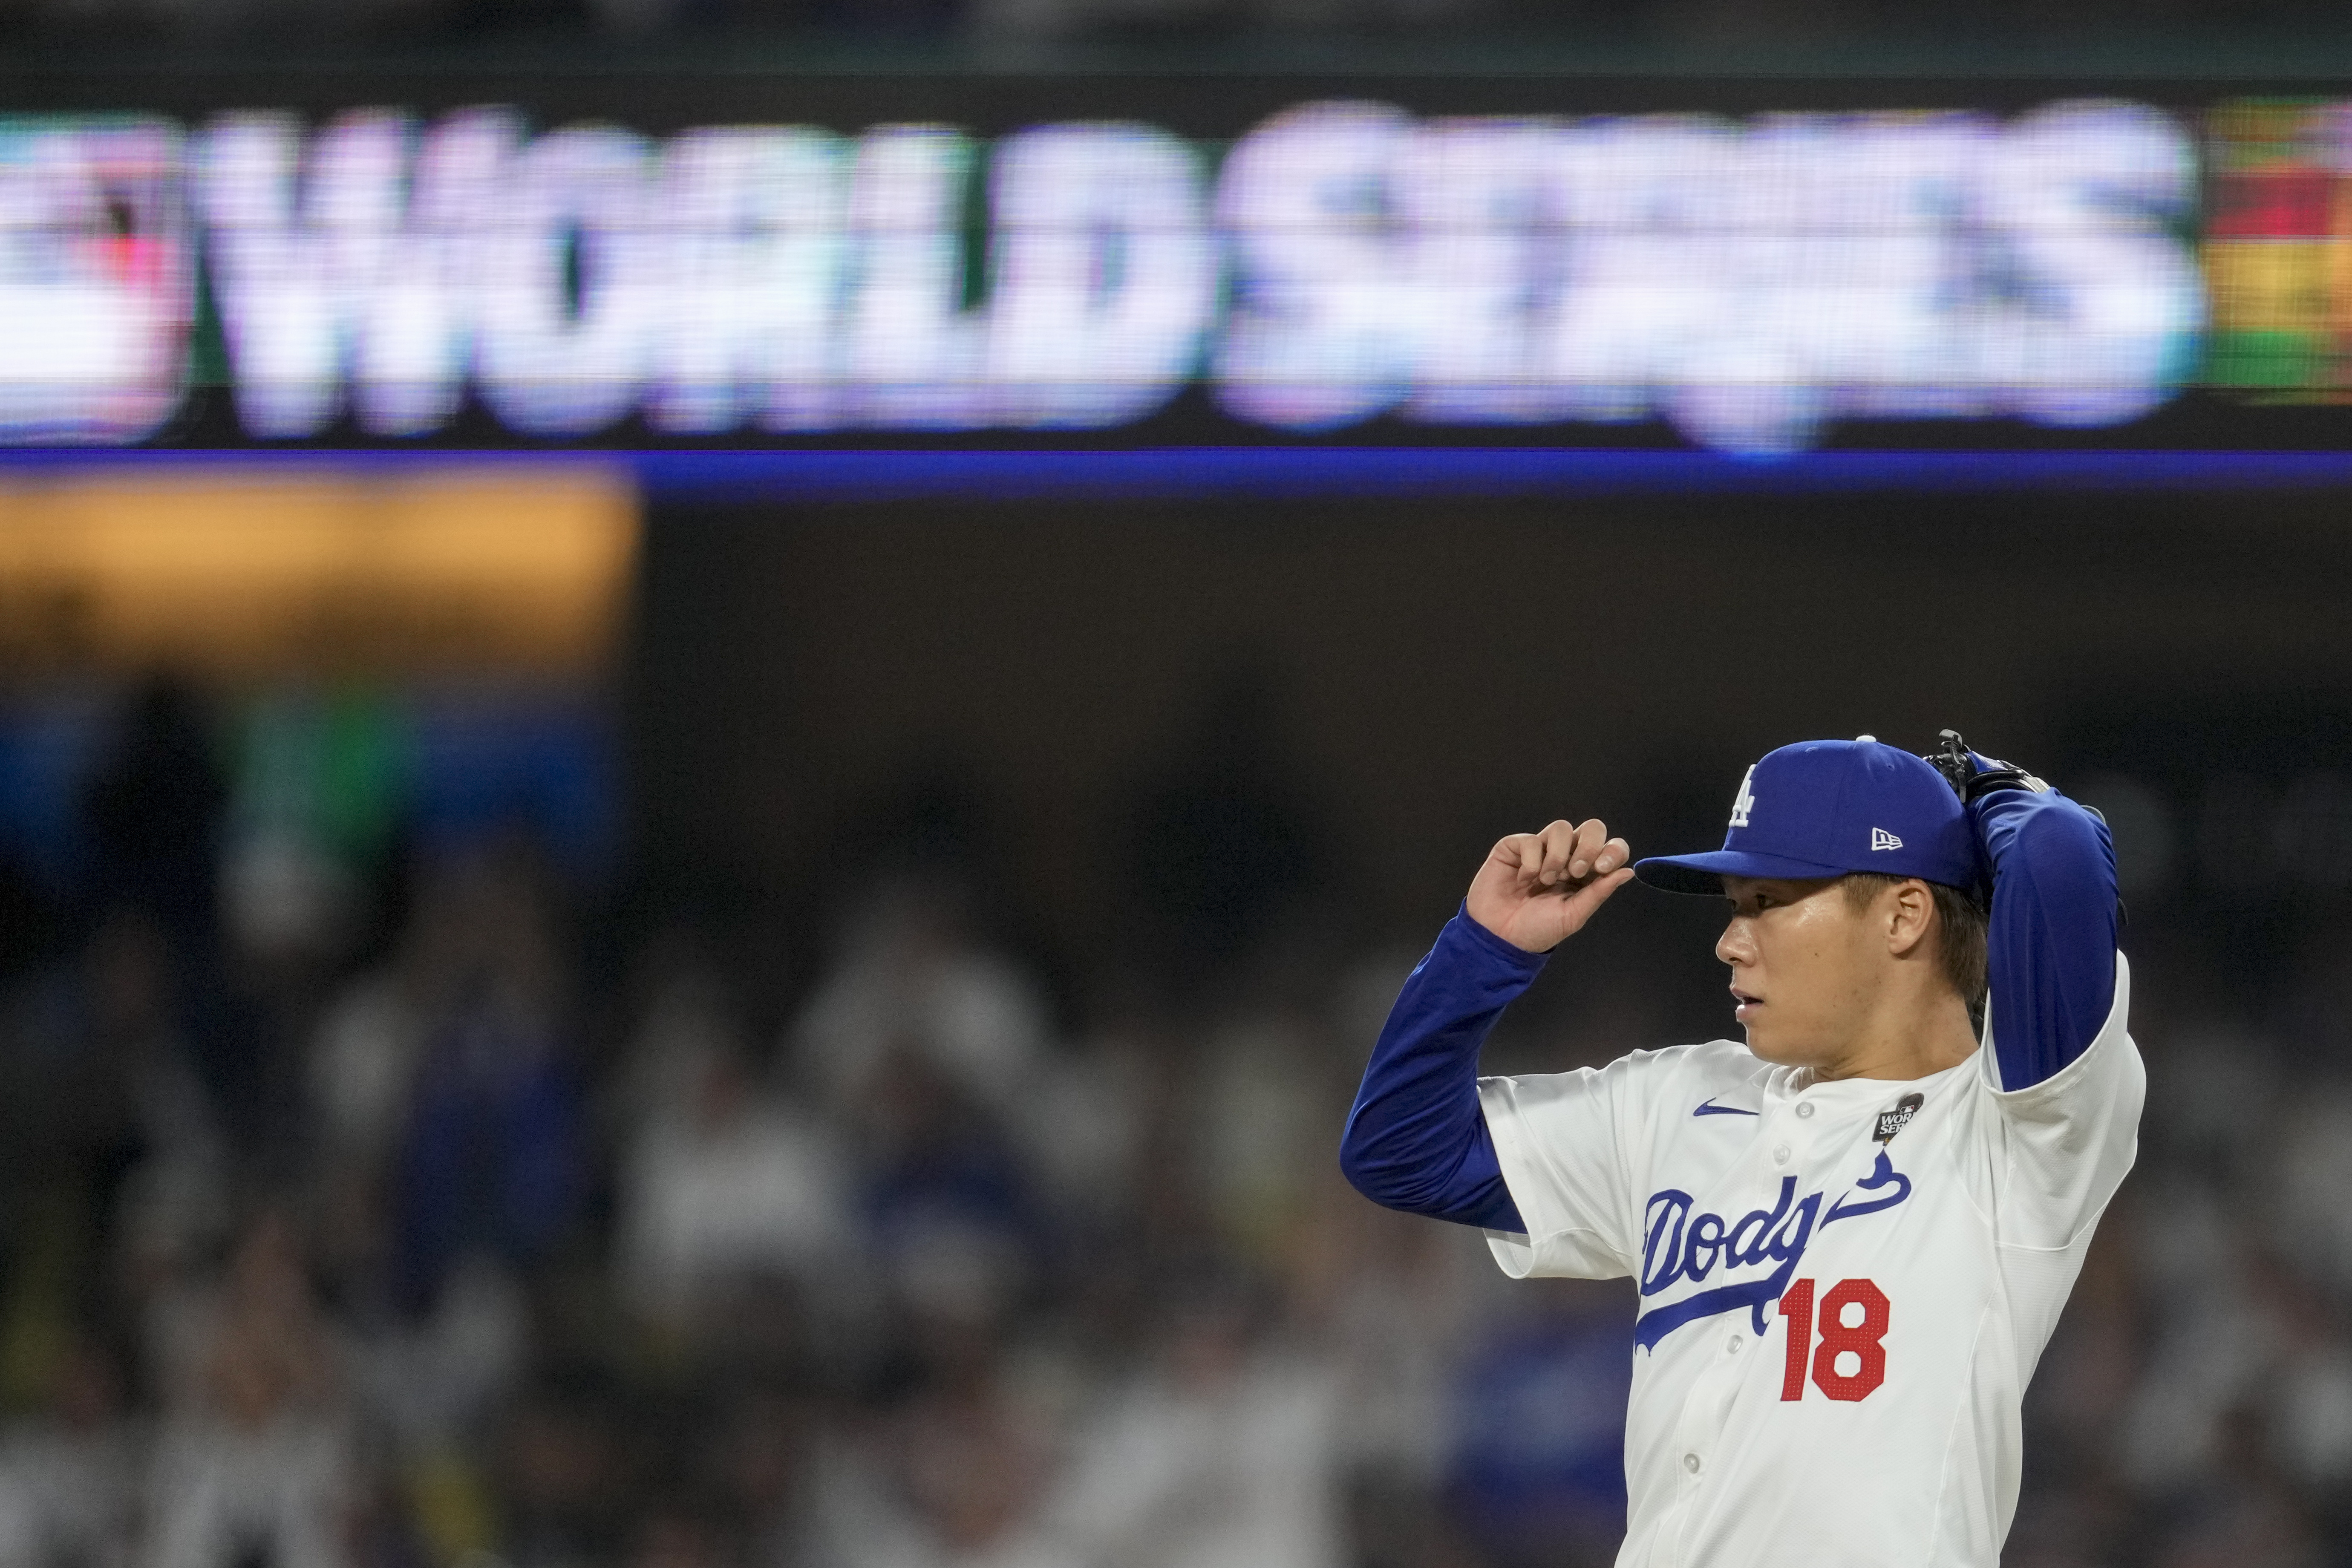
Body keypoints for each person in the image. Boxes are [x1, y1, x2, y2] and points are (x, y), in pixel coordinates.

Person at [1338, 736, 2142, 1568]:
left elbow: (2059, 853)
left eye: (1766, 900)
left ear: (1904, 915)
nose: (1730, 940)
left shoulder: (2013, 1129)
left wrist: (1990, 784)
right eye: (1732, 903)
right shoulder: (1675, 1098)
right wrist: (1484, 950)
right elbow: (1398, 1149)